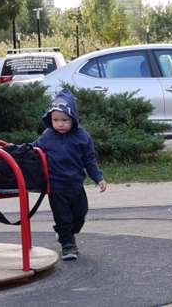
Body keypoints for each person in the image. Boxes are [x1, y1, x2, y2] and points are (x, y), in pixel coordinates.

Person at [33, 89, 107, 261]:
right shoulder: (47, 136)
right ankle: (68, 245)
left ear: (73, 118)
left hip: (75, 184)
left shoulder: (82, 137)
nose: (60, 124)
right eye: (55, 120)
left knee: (81, 213)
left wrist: (98, 178)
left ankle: (66, 233)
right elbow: (33, 151)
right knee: (63, 217)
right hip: (56, 187)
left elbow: (89, 159)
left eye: (65, 120)